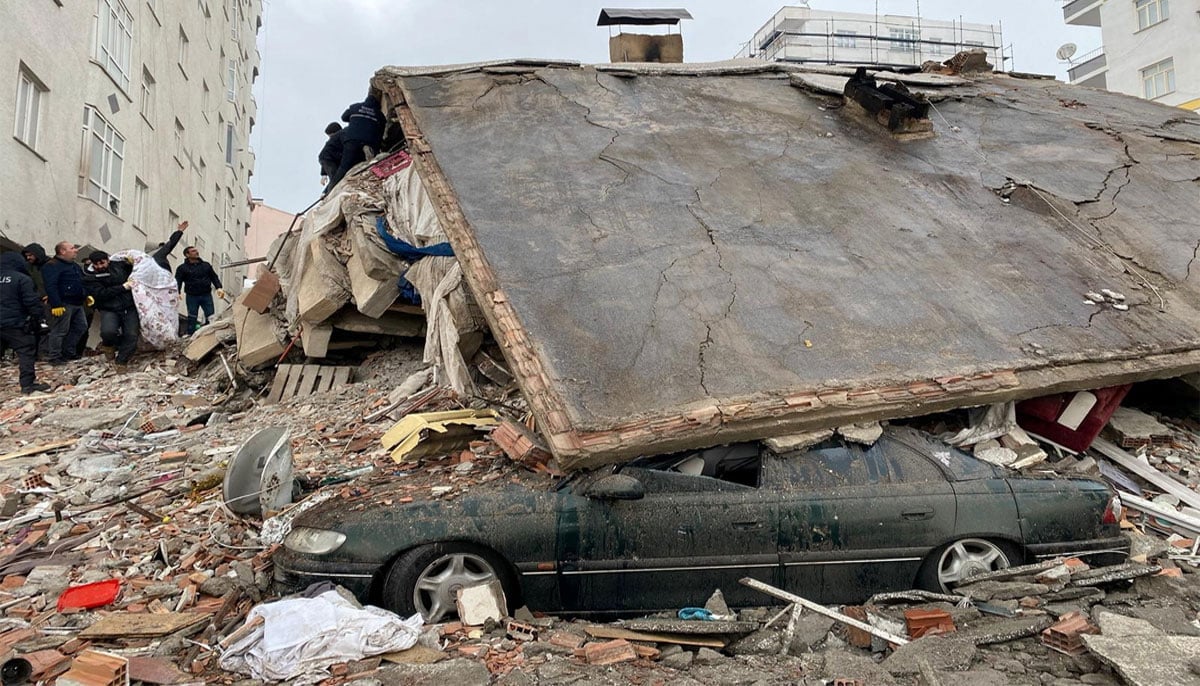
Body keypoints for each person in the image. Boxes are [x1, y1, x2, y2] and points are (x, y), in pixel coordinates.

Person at [0, 252, 51, 393]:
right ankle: (27, 385)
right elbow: (31, 302)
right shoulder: (22, 279)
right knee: (26, 351)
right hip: (15, 323)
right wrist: (39, 319)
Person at [82, 251, 140, 366]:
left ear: (108, 260)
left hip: (129, 307)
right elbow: (101, 294)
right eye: (96, 264)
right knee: (108, 332)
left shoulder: (120, 265)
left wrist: (133, 262)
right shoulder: (89, 276)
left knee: (132, 335)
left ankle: (121, 362)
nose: (99, 266)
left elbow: (138, 270)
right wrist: (123, 287)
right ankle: (108, 346)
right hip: (109, 308)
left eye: (102, 263)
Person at [41, 241, 89, 365]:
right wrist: (56, 304)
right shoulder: (52, 265)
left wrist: (86, 295)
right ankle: (55, 356)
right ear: (62, 251)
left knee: (81, 326)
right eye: (72, 248)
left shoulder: (74, 266)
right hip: (63, 303)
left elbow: (81, 281)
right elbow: (51, 285)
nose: (76, 250)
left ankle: (68, 351)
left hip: (77, 303)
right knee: (60, 330)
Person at [327, 91, 384, 191]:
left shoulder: (355, 107)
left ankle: (331, 190)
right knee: (366, 163)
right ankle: (369, 161)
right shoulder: (380, 115)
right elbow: (381, 132)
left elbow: (343, 117)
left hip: (352, 140)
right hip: (370, 141)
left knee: (344, 167)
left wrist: (356, 120)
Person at [174, 246, 224, 335]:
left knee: (211, 315)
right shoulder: (182, 268)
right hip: (192, 296)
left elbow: (214, 277)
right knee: (192, 316)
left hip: (206, 294)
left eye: (196, 250)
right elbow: (178, 280)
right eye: (193, 251)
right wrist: (177, 292)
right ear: (187, 255)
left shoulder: (206, 265)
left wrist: (219, 287)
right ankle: (191, 334)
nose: (196, 252)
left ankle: (211, 333)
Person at [319, 122, 344, 186]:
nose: (331, 139)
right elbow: (325, 155)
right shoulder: (331, 144)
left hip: (337, 161)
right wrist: (324, 174)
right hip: (333, 161)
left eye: (332, 136)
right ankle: (325, 192)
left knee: (335, 180)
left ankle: (326, 192)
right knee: (335, 179)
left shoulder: (342, 138)